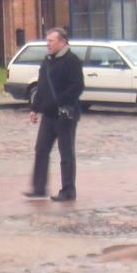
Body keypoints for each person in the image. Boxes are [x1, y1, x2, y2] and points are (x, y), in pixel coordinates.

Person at [24, 27, 84, 203]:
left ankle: (68, 190)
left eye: (51, 41)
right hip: (49, 115)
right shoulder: (47, 61)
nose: (47, 44)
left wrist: (59, 101)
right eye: (47, 41)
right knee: (41, 150)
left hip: (66, 114)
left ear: (62, 42)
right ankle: (39, 188)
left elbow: (77, 87)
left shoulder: (72, 61)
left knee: (66, 153)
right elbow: (42, 86)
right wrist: (35, 108)